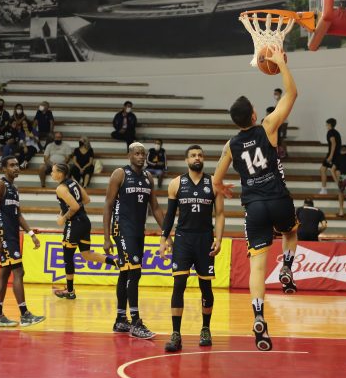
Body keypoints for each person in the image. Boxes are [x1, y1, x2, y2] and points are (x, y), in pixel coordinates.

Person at [212, 46, 298, 351]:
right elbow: (292, 94)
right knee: (291, 230)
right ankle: (287, 266)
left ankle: (259, 315)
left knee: (257, 267)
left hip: (254, 207)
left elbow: (216, 179)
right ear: (253, 115)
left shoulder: (230, 145)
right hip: (277, 197)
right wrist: (280, 64)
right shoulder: (268, 127)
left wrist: (222, 188)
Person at [158, 145, 225, 353]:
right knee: (179, 285)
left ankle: (205, 329)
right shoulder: (176, 183)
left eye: (200, 155)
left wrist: (219, 238)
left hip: (205, 240)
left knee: (206, 287)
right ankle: (176, 333)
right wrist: (163, 238)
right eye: (193, 155)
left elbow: (220, 214)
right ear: (186, 160)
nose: (197, 158)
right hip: (183, 240)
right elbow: (170, 215)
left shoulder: (214, 183)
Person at [103, 142, 168, 338]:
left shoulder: (148, 177)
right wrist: (106, 238)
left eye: (143, 153)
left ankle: (120, 320)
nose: (141, 156)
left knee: (126, 273)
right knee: (134, 271)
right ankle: (136, 322)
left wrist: (166, 233)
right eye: (137, 153)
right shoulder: (120, 174)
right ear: (129, 155)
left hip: (139, 231)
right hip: (122, 229)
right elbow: (107, 206)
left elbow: (155, 207)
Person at [0, 155, 45, 327]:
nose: (16, 168)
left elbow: (18, 214)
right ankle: (25, 315)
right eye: (12, 165)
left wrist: (30, 233)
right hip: (4, 235)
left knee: (5, 272)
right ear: (4, 168)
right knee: (19, 272)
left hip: (12, 234)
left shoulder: (13, 188)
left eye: (17, 165)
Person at [50, 163, 118, 299]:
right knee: (86, 254)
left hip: (74, 224)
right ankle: (117, 263)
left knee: (68, 258)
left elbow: (74, 206)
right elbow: (86, 200)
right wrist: (66, 209)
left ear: (60, 173)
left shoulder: (61, 188)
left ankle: (70, 291)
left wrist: (63, 218)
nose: (51, 173)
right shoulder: (73, 182)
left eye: (53, 171)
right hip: (85, 222)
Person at [319, 118, 341, 194]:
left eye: (326, 124)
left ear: (329, 124)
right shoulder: (336, 132)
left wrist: (331, 156)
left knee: (322, 169)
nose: (326, 126)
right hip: (337, 154)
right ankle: (339, 189)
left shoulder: (330, 132)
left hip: (333, 155)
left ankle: (324, 189)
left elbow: (333, 143)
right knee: (333, 171)